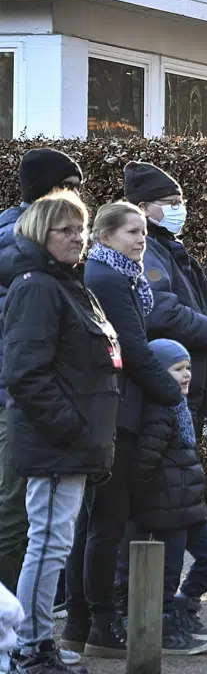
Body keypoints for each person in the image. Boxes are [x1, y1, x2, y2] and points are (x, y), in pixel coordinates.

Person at [1, 190, 114, 674]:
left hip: (72, 443)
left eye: (81, 227)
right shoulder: (39, 288)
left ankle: (35, 642)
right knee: (46, 546)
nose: (78, 236)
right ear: (39, 234)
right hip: (55, 444)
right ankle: (30, 651)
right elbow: (26, 375)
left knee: (53, 544)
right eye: (65, 229)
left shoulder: (68, 285)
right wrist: (73, 428)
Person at [63, 202, 183, 659]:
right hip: (116, 414)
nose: (141, 239)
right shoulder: (110, 279)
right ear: (106, 235)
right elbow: (131, 347)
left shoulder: (118, 276)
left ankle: (81, 622)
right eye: (132, 232)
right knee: (105, 523)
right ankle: (98, 624)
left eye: (143, 232)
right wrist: (170, 394)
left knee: (93, 524)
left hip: (114, 410)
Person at [0, 149, 84, 598]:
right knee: (16, 511)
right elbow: (27, 357)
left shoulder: (53, 262)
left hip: (40, 398)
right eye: (67, 187)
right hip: (23, 401)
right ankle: (11, 625)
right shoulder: (28, 262)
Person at [125, 161, 207, 439]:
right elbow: (163, 313)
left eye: (180, 202)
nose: (179, 209)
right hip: (163, 388)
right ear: (143, 207)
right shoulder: (146, 252)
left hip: (183, 386)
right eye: (170, 202)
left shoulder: (168, 249)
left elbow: (194, 309)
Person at [130, 339, 207, 656]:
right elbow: (145, 462)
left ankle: (186, 607)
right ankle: (164, 625)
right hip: (167, 508)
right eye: (177, 369)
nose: (186, 375)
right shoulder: (159, 411)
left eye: (187, 369)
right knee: (169, 573)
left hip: (187, 505)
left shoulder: (180, 408)